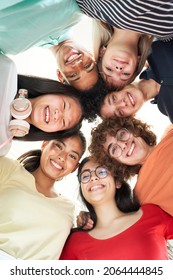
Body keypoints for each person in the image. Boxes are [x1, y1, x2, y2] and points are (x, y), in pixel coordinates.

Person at [60, 156, 173, 260]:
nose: (93, 178)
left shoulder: (151, 213)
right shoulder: (75, 242)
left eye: (102, 172)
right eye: (85, 176)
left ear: (117, 182)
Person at [0, 130, 86, 260]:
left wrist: (86, 225)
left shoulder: (69, 209)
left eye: (72, 156)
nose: (62, 157)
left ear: (75, 167)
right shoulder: (8, 169)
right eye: (58, 146)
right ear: (45, 144)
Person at [0, 54, 84, 156]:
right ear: (55, 91)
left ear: (52, 132)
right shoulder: (5, 69)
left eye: (63, 122)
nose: (57, 115)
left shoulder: (3, 146)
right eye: (64, 105)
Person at [89, 116, 173, 217]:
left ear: (134, 130)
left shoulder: (170, 133)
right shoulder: (141, 198)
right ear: (116, 163)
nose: (123, 144)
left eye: (122, 134)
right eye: (114, 149)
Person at [76, 0, 173, 87]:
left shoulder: (90, 8)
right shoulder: (166, 32)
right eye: (125, 74)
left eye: (109, 70)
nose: (118, 70)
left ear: (102, 52)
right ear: (138, 62)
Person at [99, 39, 173, 121]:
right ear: (131, 117)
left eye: (114, 99)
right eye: (120, 112)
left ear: (116, 85)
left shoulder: (153, 50)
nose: (123, 103)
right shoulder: (168, 108)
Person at [0, 0, 84, 55]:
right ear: (92, 55)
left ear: (60, 76)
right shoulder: (74, 12)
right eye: (88, 66)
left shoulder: (13, 49)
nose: (78, 64)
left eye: (73, 75)